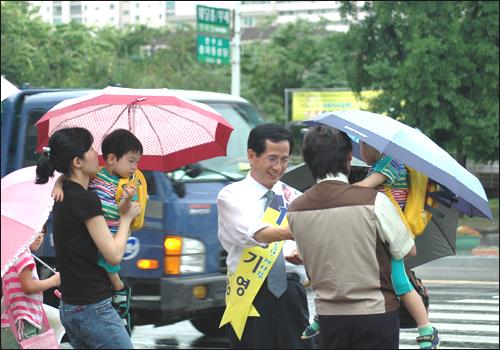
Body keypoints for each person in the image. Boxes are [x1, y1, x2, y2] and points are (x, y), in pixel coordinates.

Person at [287, 124, 416, 349]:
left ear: (307, 162)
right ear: (348, 158)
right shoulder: (374, 201)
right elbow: (407, 250)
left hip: (328, 318)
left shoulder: (296, 209)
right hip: (376, 315)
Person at [36, 127, 140, 349]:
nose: (97, 154)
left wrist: (61, 179)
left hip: (71, 307)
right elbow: (112, 255)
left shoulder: (63, 195)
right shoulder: (85, 200)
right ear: (77, 162)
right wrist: (126, 218)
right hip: (92, 308)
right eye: (91, 149)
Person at [217, 123, 314, 349]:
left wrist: (305, 250)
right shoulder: (231, 196)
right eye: (272, 159)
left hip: (292, 293)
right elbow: (254, 233)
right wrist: (297, 230)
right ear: (252, 155)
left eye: (285, 159)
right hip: (250, 294)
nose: (279, 167)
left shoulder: (296, 197)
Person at [1, 226, 61, 349]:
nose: (40, 236)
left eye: (43, 232)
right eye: (36, 230)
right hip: (22, 322)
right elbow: (28, 286)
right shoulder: (24, 255)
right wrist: (53, 281)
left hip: (13, 322)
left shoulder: (13, 255)